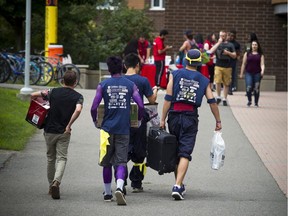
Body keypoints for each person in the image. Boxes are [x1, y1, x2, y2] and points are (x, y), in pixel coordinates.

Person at [160, 49, 222, 200]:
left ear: (186, 61)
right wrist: (218, 120)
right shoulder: (203, 79)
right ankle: (177, 185)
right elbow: (212, 101)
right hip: (190, 118)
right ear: (199, 63)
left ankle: (178, 184)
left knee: (176, 151)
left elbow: (168, 98)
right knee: (185, 152)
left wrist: (162, 119)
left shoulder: (174, 74)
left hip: (174, 116)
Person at [90, 56, 144, 205]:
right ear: (123, 68)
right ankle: (120, 187)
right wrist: (138, 119)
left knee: (106, 162)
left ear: (109, 69)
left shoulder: (103, 85)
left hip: (106, 129)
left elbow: (94, 107)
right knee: (121, 161)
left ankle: (108, 193)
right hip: (123, 129)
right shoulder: (130, 85)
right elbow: (140, 104)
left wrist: (96, 120)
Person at [30, 70, 84, 200]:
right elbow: (78, 109)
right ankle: (57, 182)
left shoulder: (52, 91)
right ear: (75, 82)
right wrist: (69, 125)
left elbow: (33, 95)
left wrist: (38, 109)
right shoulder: (78, 96)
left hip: (49, 130)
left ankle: (50, 186)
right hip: (64, 131)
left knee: (50, 158)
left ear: (62, 81)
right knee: (62, 158)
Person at [123, 53, 158, 192]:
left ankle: (121, 179)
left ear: (125, 65)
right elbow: (151, 100)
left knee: (122, 151)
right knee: (140, 152)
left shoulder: (119, 79)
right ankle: (136, 183)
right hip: (138, 119)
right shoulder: (143, 81)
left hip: (122, 120)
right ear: (137, 65)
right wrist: (155, 90)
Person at [214, 30, 237, 106]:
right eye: (220, 36)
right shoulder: (217, 44)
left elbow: (234, 55)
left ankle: (224, 98)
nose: (222, 37)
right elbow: (212, 51)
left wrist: (228, 53)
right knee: (217, 81)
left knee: (226, 83)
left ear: (226, 36)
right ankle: (218, 97)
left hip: (227, 66)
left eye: (223, 36)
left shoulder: (230, 45)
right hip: (218, 65)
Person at [240, 40, 265, 107]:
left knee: (256, 88)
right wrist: (241, 73)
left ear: (258, 46)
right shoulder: (247, 53)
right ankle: (249, 100)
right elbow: (243, 64)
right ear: (251, 46)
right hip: (248, 73)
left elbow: (262, 64)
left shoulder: (260, 55)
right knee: (249, 87)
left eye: (255, 45)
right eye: (253, 44)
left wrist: (262, 71)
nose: (254, 46)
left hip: (257, 73)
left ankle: (256, 102)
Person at [228, 29, 241, 95]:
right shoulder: (227, 43)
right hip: (226, 61)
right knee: (227, 75)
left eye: (232, 35)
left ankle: (231, 88)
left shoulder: (237, 44)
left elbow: (238, 53)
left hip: (233, 61)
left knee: (232, 75)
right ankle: (227, 87)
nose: (231, 37)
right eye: (230, 35)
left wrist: (238, 56)